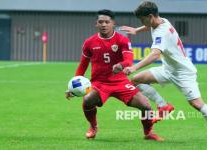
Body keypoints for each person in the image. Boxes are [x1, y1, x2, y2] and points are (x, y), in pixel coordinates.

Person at [121, 1, 207, 145]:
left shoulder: (162, 32)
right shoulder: (162, 21)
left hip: (183, 72)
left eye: (142, 19)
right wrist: (137, 30)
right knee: (136, 80)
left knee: (196, 104)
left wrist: (135, 67)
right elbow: (149, 25)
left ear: (150, 16)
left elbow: (154, 55)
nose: (142, 22)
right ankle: (163, 106)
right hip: (168, 69)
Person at [65, 9, 163, 141]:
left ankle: (148, 133)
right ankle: (93, 127)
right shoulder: (89, 43)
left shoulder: (122, 39)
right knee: (88, 100)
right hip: (99, 83)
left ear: (113, 23)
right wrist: (73, 88)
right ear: (96, 24)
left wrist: (121, 65)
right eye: (101, 22)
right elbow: (83, 65)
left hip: (120, 82)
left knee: (145, 105)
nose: (104, 24)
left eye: (107, 22)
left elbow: (128, 60)